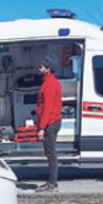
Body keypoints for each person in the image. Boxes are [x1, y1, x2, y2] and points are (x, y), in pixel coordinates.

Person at [36, 54, 63, 192]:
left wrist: (41, 128)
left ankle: (52, 183)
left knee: (51, 154)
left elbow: (47, 108)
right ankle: (51, 182)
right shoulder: (52, 83)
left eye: (41, 67)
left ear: (47, 69)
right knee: (50, 153)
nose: (38, 69)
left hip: (50, 123)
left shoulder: (49, 85)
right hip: (53, 122)